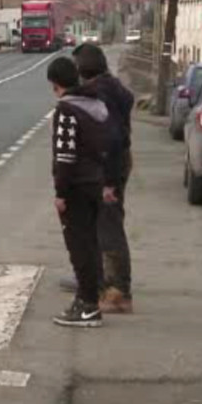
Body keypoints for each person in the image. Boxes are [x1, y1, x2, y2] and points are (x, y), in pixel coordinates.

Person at [62, 43, 136, 314]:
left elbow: (112, 138)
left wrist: (107, 182)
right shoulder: (111, 87)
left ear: (83, 70)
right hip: (115, 163)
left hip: (109, 168)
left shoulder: (101, 94)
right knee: (99, 223)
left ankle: (118, 292)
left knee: (109, 226)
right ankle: (98, 278)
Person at [47, 57, 110, 328]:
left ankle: (87, 306)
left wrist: (60, 193)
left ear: (56, 83)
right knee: (91, 244)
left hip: (76, 187)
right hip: (95, 182)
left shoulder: (66, 111)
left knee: (79, 246)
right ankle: (92, 297)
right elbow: (111, 146)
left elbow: (65, 155)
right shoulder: (97, 106)